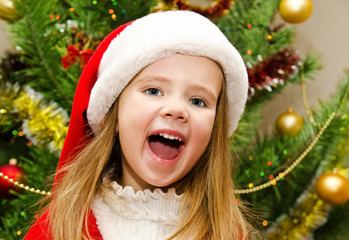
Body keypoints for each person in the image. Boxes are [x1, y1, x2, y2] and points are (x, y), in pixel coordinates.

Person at [24, 10, 253, 240]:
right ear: (110, 117)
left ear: (214, 131)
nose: (176, 110)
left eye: (197, 101)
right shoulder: (61, 228)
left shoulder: (228, 234)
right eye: (153, 91)